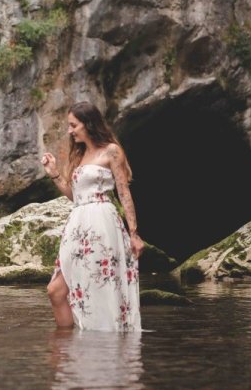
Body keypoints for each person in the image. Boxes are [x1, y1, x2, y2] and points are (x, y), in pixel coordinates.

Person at [41, 101, 144, 331]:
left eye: (73, 125)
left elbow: (123, 192)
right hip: (77, 225)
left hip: (102, 223)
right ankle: (70, 350)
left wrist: (134, 233)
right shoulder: (79, 155)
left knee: (99, 287)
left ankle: (99, 351)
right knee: (55, 291)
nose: (70, 131)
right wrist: (54, 174)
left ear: (88, 124)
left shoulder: (111, 151)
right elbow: (75, 196)